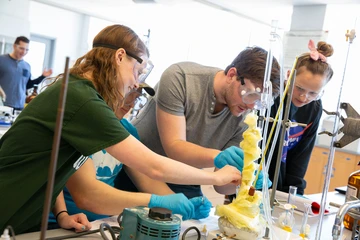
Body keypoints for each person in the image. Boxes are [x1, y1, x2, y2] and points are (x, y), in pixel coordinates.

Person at [0, 24, 241, 234]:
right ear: (119, 56)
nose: (136, 83)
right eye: (137, 70)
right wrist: (214, 175)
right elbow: (153, 165)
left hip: (21, 217)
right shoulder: (81, 98)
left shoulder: (77, 92)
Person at [119, 46, 281, 199]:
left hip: (186, 180)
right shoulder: (181, 78)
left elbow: (222, 187)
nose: (251, 106)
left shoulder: (246, 116)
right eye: (251, 95)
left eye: (260, 103)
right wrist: (218, 156)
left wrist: (245, 177)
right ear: (232, 75)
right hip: (137, 170)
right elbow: (174, 147)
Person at [48, 84, 212, 229]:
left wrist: (182, 204)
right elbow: (80, 191)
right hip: (60, 223)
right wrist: (61, 214)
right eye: (129, 93)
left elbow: (149, 179)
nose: (131, 102)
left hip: (103, 222)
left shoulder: (127, 131)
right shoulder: (80, 123)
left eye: (137, 95)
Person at [266, 40, 334, 195]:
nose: (304, 98)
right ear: (289, 75)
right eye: (299, 88)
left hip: (281, 188)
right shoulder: (271, 97)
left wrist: (294, 193)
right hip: (252, 181)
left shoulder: (314, 108)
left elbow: (302, 155)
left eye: (313, 93)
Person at [0, 36, 53, 110]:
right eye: (21, 48)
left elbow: (27, 85)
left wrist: (42, 76)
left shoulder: (27, 66)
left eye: (26, 50)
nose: (24, 52)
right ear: (14, 46)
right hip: (3, 105)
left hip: (19, 105)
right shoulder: (2, 60)